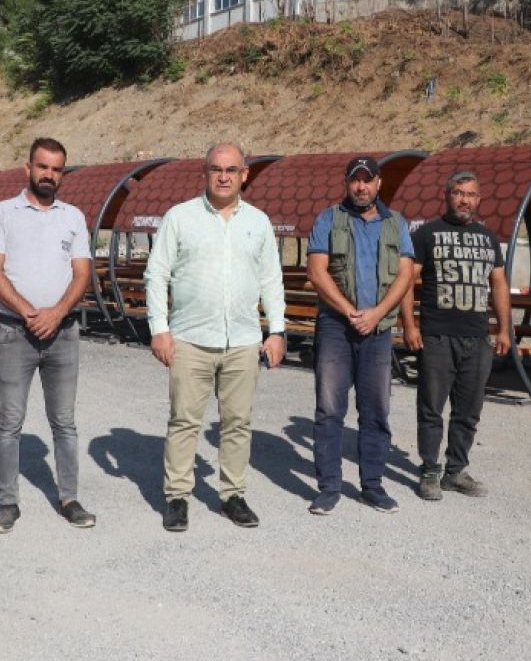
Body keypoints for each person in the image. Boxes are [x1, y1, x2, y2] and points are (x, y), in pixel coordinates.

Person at [145, 142, 286, 532]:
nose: (223, 177)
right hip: (190, 339)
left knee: (237, 422)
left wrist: (276, 331)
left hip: (242, 340)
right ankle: (177, 497)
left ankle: (232, 495)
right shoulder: (180, 218)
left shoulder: (258, 222)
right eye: (216, 169)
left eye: (231, 170)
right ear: (204, 173)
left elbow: (271, 279)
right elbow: (156, 274)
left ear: (244, 175)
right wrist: (159, 329)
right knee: (184, 421)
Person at [0, 137, 95, 533]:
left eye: (56, 169)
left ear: (63, 174)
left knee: (64, 422)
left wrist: (57, 313)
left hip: (63, 333)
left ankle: (69, 499)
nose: (49, 174)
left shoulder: (73, 217)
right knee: (9, 422)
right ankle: (7, 503)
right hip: (14, 331)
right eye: (42, 166)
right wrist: (30, 313)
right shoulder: (2, 213)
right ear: (27, 168)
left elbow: (82, 273)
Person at [306, 156, 415, 515]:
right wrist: (349, 311)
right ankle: (329, 488)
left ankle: (373, 486)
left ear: (379, 183)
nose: (361, 186)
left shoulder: (395, 223)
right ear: (347, 183)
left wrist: (378, 313)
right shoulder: (328, 219)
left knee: (375, 410)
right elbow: (317, 272)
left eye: (368, 180)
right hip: (336, 327)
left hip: (378, 330)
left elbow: (405, 274)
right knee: (329, 409)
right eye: (355, 180)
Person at [400, 170, 512, 501]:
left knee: (468, 410)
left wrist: (504, 329)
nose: (464, 200)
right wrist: (409, 325)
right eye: (458, 193)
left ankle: (455, 471)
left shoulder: (488, 238)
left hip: (477, 338)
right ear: (447, 196)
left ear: (479, 200)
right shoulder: (426, 234)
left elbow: (499, 284)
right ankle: (430, 471)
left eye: (470, 194)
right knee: (431, 407)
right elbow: (406, 282)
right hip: (436, 336)